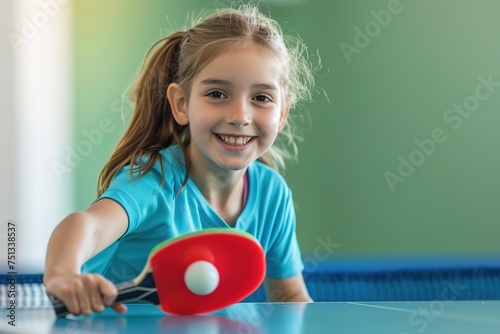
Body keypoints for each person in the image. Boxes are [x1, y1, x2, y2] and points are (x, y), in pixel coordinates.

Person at [44, 4, 315, 316]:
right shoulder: (153, 180)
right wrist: (63, 274)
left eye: (261, 98)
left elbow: (290, 296)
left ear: (282, 114)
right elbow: (88, 226)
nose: (240, 116)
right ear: (182, 104)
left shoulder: (272, 195)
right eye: (217, 94)